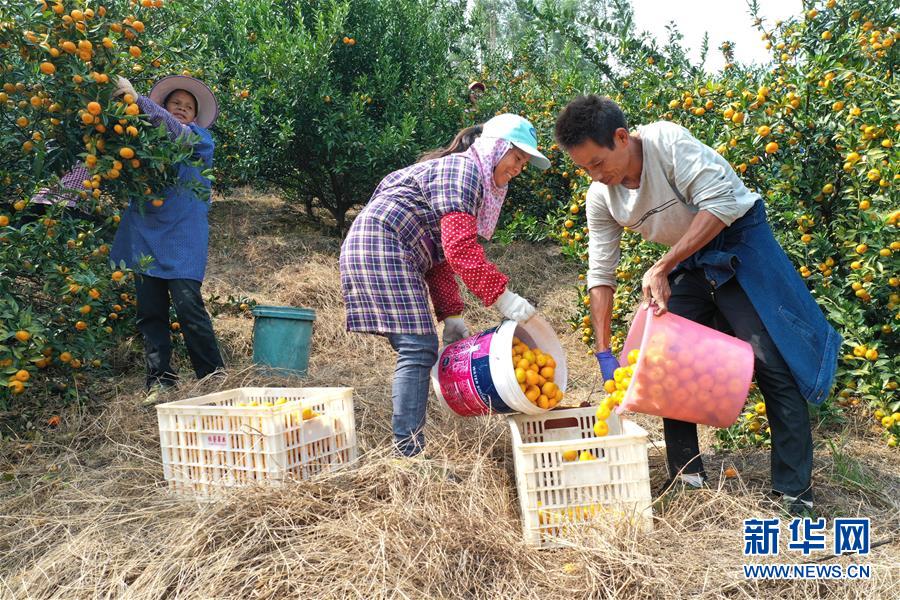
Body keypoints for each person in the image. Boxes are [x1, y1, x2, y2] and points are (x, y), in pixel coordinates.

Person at [554, 95, 840, 515]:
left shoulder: (666, 143)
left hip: (739, 239)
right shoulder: (601, 196)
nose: (595, 176)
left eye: (598, 163)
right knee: (667, 361)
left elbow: (721, 205)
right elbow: (601, 273)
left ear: (621, 137)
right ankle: (687, 475)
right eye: (585, 169)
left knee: (771, 362)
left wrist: (663, 266)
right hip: (689, 257)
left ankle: (794, 492)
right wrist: (603, 351)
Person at [340, 114, 550, 457]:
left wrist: (452, 315)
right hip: (382, 243)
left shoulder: (466, 176)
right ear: (495, 148)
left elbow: (439, 259)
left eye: (524, 163)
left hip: (385, 246)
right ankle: (407, 452)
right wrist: (502, 297)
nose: (518, 169)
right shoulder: (465, 171)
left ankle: (407, 448)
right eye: (516, 157)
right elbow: (459, 249)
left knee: (419, 347)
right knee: (419, 347)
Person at [109, 75, 225, 404]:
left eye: (188, 107)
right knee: (151, 312)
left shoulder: (201, 139)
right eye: (176, 104)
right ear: (164, 107)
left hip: (184, 235)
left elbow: (178, 135)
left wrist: (138, 100)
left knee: (189, 307)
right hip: (146, 233)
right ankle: (160, 383)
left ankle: (213, 377)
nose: (182, 110)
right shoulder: (143, 144)